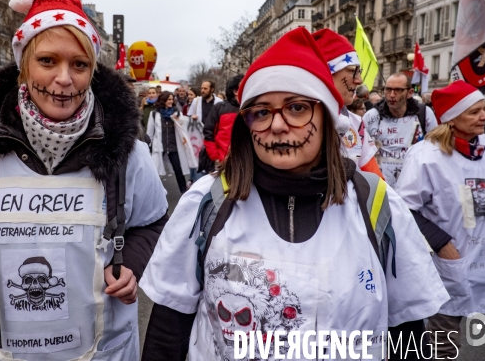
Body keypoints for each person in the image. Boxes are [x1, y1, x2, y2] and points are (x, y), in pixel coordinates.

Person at [140, 27, 448, 361]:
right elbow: (168, 328)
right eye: (260, 112)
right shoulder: (206, 203)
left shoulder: (377, 205)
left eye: (297, 108)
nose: (276, 125)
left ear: (327, 116)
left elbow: (408, 332)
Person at [0, 0, 168, 360]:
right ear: (23, 65)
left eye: (79, 64)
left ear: (92, 70)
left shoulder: (130, 155)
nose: (64, 79)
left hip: (103, 351)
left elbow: (152, 221)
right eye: (47, 61)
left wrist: (132, 265)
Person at [396, 80, 485, 359]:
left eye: (484, 109)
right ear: (451, 119)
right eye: (474, 112)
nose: (484, 116)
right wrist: (441, 243)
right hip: (451, 264)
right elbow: (404, 210)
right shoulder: (426, 156)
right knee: (443, 341)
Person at [313, 29, 382, 178]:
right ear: (325, 73)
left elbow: (376, 183)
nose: (359, 80)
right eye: (352, 71)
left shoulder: (356, 123)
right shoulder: (293, 124)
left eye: (359, 71)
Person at [363, 72, 438, 187]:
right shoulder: (371, 117)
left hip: (415, 186)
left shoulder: (425, 114)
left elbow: (436, 150)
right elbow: (360, 152)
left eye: (398, 90)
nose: (392, 95)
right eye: (388, 90)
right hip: (381, 187)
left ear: (409, 93)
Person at [147, 91, 197, 194]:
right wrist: (149, 146)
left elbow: (184, 123)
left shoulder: (176, 113)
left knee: (178, 170)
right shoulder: (154, 114)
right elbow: (149, 132)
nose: (171, 101)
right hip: (159, 147)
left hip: (173, 147)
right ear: (163, 100)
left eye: (172, 99)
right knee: (155, 171)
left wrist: (192, 119)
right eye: (169, 99)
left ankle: (184, 191)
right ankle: (155, 193)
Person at [202, 74, 243, 165]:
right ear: (236, 91)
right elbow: (208, 132)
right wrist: (216, 158)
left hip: (246, 161)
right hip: (224, 161)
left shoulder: (251, 107)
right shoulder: (219, 108)